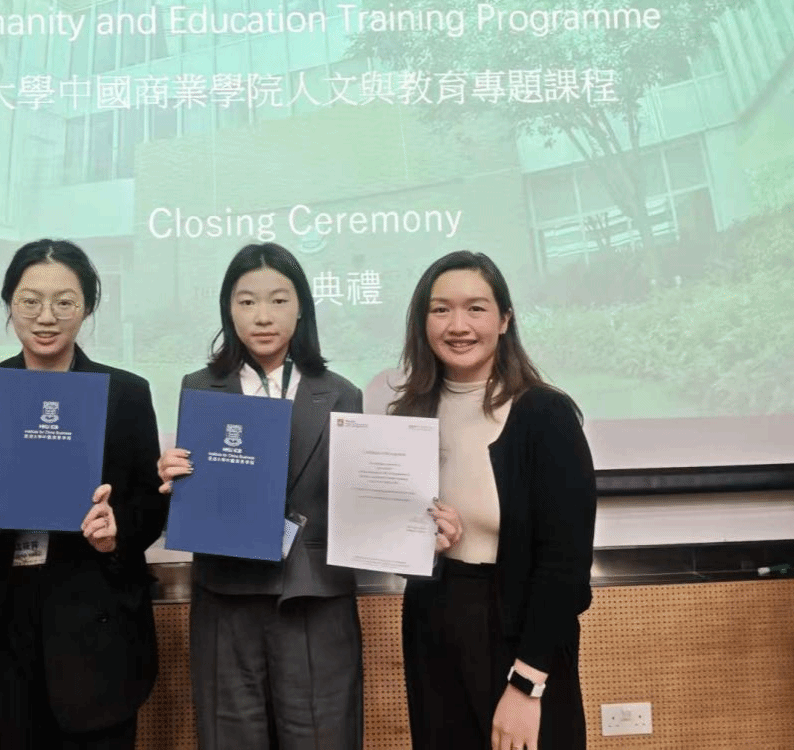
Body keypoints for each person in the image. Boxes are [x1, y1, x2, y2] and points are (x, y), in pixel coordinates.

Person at [0, 239, 165, 750]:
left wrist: (116, 531)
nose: (46, 317)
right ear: (9, 302)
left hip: (94, 631)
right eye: (30, 300)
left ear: (88, 307)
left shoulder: (126, 393)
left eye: (65, 302)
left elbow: (149, 501)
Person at [364, 250, 595, 750]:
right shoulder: (408, 416)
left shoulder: (545, 415)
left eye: (476, 308)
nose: (458, 325)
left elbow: (565, 570)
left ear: (504, 319)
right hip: (433, 628)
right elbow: (390, 539)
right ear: (422, 321)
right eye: (440, 309)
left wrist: (527, 685)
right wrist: (420, 543)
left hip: (521, 639)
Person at [158, 242, 365, 750]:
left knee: (323, 738)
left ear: (302, 308)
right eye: (246, 301)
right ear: (228, 310)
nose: (263, 316)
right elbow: (195, 496)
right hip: (225, 595)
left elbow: (356, 500)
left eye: (278, 300)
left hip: (314, 597)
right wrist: (172, 478)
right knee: (230, 736)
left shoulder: (341, 392)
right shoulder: (199, 388)